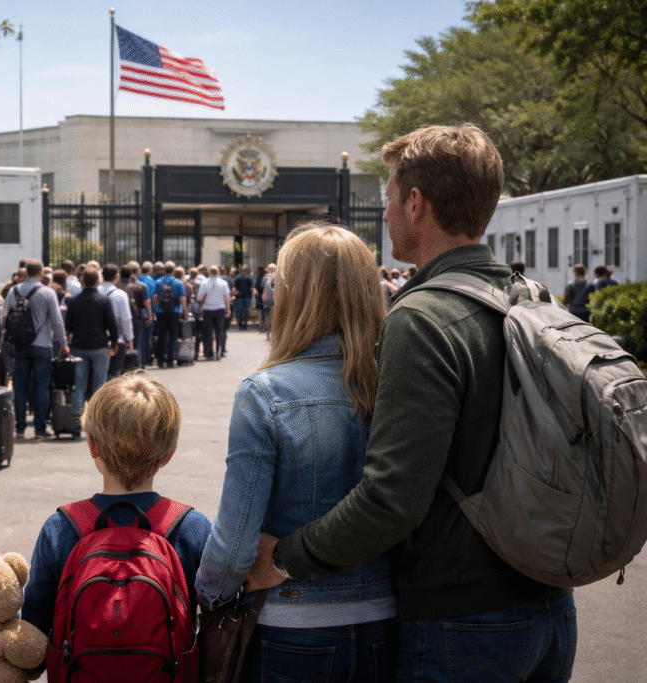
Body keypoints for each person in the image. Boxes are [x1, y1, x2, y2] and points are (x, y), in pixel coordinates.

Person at [246, 124, 577, 683]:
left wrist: (282, 560)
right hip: (550, 607)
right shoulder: (530, 297)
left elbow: (392, 499)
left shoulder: (423, 318)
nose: (384, 214)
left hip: (465, 622)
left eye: (389, 199)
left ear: (417, 203)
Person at [196, 224, 395, 682]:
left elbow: (233, 544)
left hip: (292, 624)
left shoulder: (266, 393)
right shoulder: (395, 382)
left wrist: (209, 593)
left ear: (292, 295)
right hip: (385, 614)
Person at [21, 371, 211, 637]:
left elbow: (35, 623)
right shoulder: (193, 528)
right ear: (168, 455)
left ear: (92, 446)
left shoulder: (60, 528)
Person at [3, 259, 69, 439]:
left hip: (20, 344)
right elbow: (57, 320)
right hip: (42, 345)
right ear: (41, 274)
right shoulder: (47, 292)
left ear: (25, 272)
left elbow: (5, 317)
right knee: (41, 386)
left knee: (20, 386)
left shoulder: (13, 290)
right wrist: (63, 343)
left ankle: (20, 428)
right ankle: (40, 428)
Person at [64, 269, 117, 419]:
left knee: (78, 385)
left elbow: (67, 325)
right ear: (97, 281)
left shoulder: (74, 301)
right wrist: (114, 342)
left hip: (79, 346)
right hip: (99, 345)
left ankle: (77, 420)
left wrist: (66, 343)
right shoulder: (104, 301)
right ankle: (96, 419)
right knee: (99, 384)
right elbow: (112, 324)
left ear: (82, 281)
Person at [97, 263, 134, 377]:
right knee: (114, 375)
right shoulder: (120, 294)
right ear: (116, 276)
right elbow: (126, 319)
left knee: (97, 376)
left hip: (96, 339)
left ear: (102, 276)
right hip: (117, 340)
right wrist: (129, 338)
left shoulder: (96, 291)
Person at [152, 261, 186, 368]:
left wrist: (155, 308)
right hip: (174, 311)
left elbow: (155, 298)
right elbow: (182, 299)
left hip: (160, 311)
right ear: (174, 270)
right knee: (173, 336)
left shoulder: (158, 282)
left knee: (161, 336)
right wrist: (185, 311)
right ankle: (170, 360)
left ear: (163, 270)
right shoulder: (178, 282)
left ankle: (160, 360)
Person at [197, 265, 231, 360]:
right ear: (218, 272)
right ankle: (219, 350)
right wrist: (228, 309)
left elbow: (199, 297)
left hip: (208, 309)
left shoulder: (204, 283)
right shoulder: (223, 283)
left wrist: (202, 303)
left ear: (209, 272)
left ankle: (209, 351)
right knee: (219, 330)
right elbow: (227, 298)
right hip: (220, 309)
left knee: (208, 331)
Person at [232, 266, 254, 330]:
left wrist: (252, 293)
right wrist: (235, 292)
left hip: (247, 297)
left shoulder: (249, 278)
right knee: (239, 312)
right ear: (241, 271)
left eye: (245, 270)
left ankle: (245, 324)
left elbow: (251, 286)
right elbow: (235, 287)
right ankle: (240, 324)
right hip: (239, 297)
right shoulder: (238, 278)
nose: (244, 271)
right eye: (243, 270)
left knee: (246, 311)